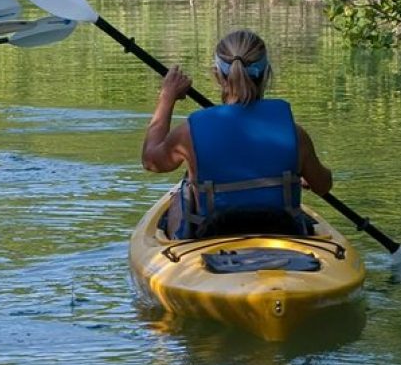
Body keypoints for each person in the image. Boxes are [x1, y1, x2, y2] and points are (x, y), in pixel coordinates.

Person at [141, 29, 332, 239]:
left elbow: (152, 161)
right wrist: (300, 170)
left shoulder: (189, 133)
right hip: (284, 233)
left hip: (212, 236)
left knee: (182, 194)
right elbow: (323, 185)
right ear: (267, 73)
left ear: (217, 75)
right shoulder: (295, 134)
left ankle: (179, 248)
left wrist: (167, 97)